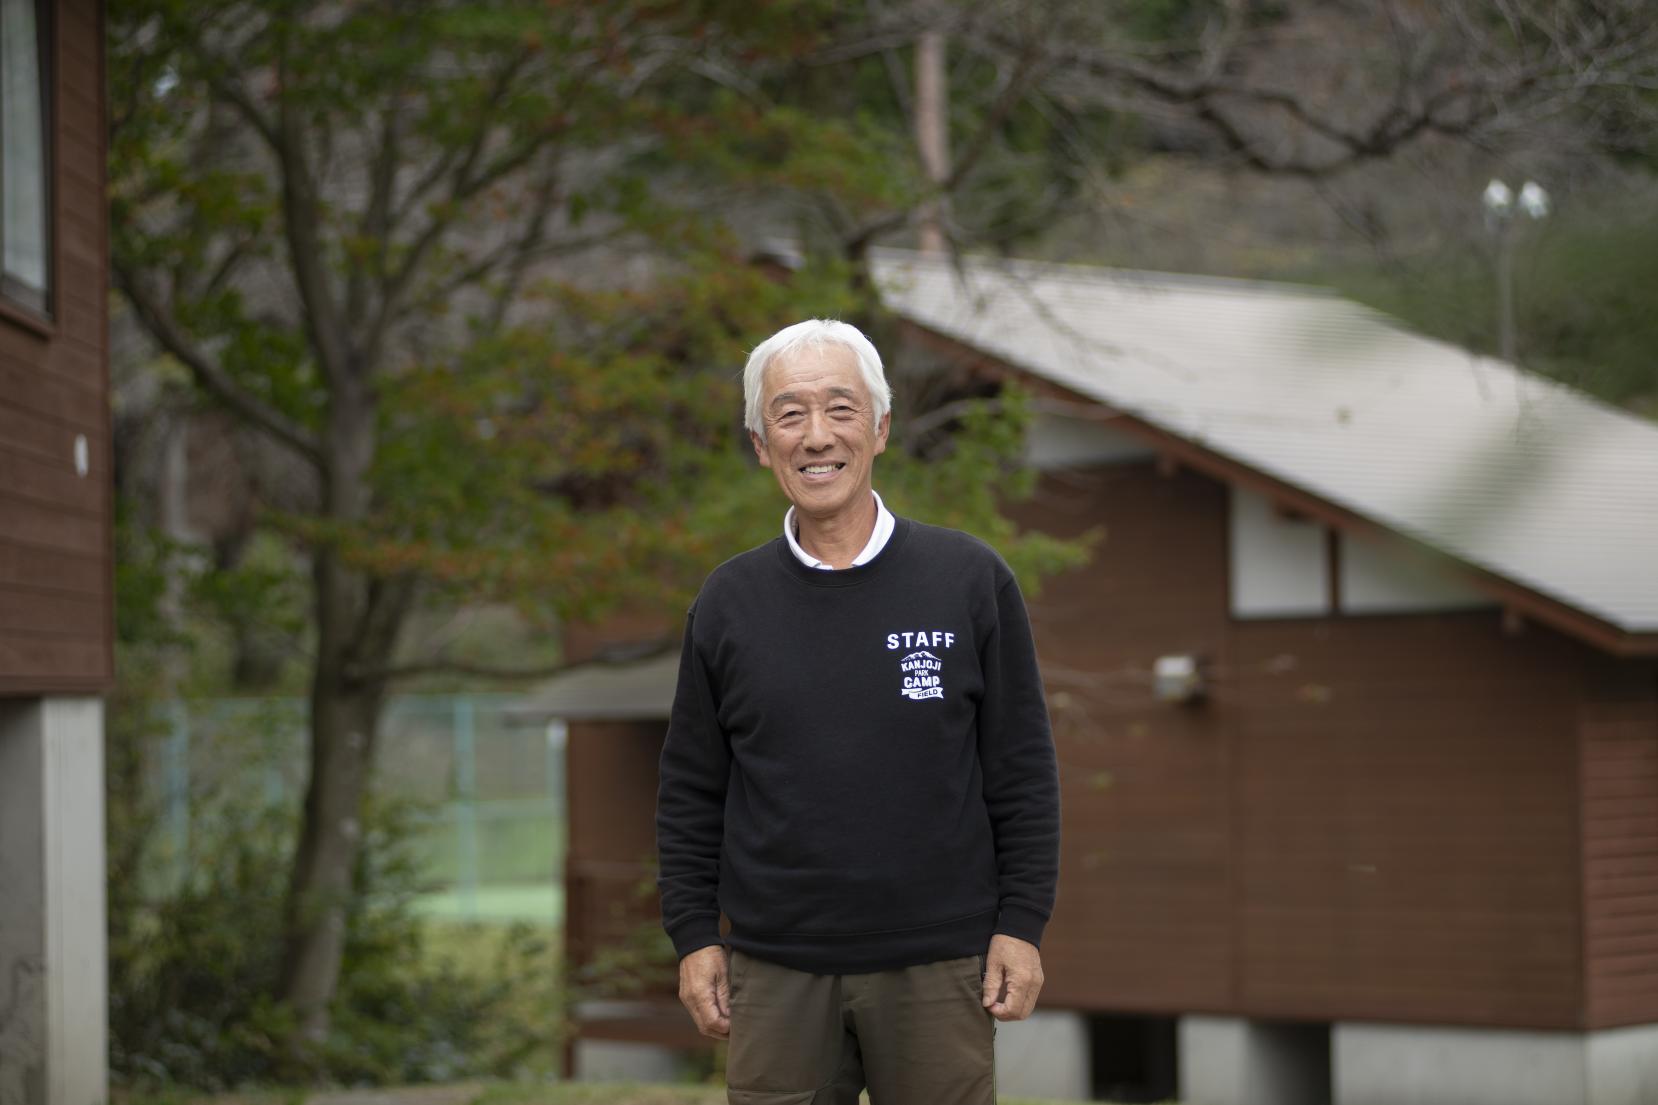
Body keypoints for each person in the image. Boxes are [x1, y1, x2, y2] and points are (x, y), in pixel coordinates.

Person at [655, 318, 1061, 1104]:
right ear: (760, 442)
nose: (816, 436)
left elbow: (1021, 768)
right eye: (789, 413)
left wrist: (1022, 922)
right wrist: (695, 936)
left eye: (840, 410)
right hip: (773, 970)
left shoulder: (969, 580)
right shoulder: (728, 602)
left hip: (942, 964)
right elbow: (689, 787)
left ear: (879, 428)